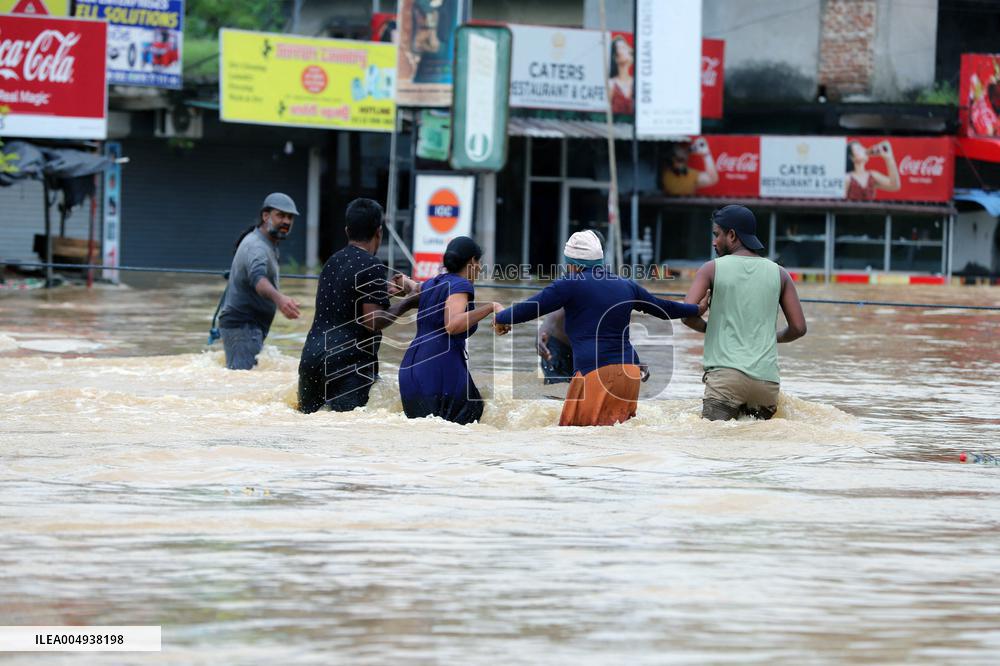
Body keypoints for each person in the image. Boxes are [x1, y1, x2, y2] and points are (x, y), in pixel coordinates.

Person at [494, 230, 704, 427]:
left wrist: (499, 314)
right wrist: (696, 308)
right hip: (630, 375)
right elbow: (663, 307)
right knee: (616, 441)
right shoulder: (626, 285)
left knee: (577, 440)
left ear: (571, 263)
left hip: (594, 374)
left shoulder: (569, 283)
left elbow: (529, 309)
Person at [681, 205, 807, 421]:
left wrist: (710, 328)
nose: (713, 242)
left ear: (732, 235)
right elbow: (798, 328)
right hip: (766, 383)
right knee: (756, 448)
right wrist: (771, 337)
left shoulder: (711, 269)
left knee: (712, 444)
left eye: (716, 234)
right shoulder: (780, 273)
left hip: (725, 380)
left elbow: (686, 313)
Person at [297, 198, 416, 413]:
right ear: (379, 232)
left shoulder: (331, 262)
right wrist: (409, 302)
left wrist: (381, 291)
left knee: (309, 431)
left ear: (347, 230)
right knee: (346, 435)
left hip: (312, 358)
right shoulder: (372, 265)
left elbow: (343, 301)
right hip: (347, 364)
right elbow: (373, 321)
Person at [398, 237, 502, 424]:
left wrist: (404, 282)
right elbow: (453, 325)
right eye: (478, 263)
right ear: (472, 262)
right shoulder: (461, 285)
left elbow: (414, 287)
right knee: (471, 422)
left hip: (409, 374)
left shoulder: (432, 284)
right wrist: (491, 307)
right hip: (439, 371)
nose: (479, 268)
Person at [218, 192, 301, 370]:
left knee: (242, 378)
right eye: (281, 215)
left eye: (290, 217)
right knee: (241, 381)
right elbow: (259, 280)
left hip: (247, 327)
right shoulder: (257, 246)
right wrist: (280, 299)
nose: (286, 221)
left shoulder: (267, 243)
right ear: (265, 216)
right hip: (243, 328)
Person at [608, 35, 634, 115]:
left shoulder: (636, 83)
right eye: (623, 47)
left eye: (626, 47)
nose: (628, 50)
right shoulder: (611, 84)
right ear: (616, 57)